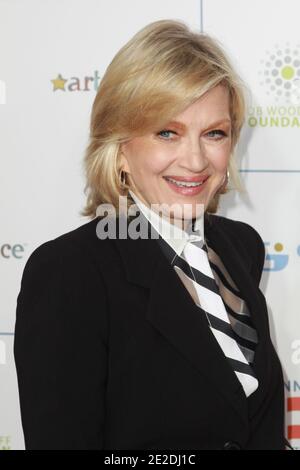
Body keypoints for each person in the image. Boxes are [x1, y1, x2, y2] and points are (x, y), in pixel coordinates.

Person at [14, 19, 287, 450]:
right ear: (120, 147)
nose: (196, 160)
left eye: (214, 133)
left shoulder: (241, 246)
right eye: (167, 132)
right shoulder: (70, 273)